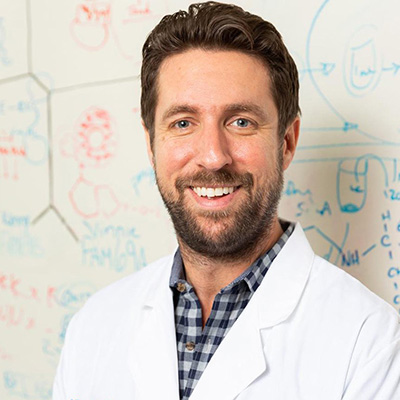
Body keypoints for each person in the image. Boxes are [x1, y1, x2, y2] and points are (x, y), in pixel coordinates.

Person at [53, 2, 400, 399]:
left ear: (286, 142)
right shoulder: (93, 328)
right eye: (183, 123)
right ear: (152, 144)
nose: (213, 156)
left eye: (241, 122)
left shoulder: (371, 343)